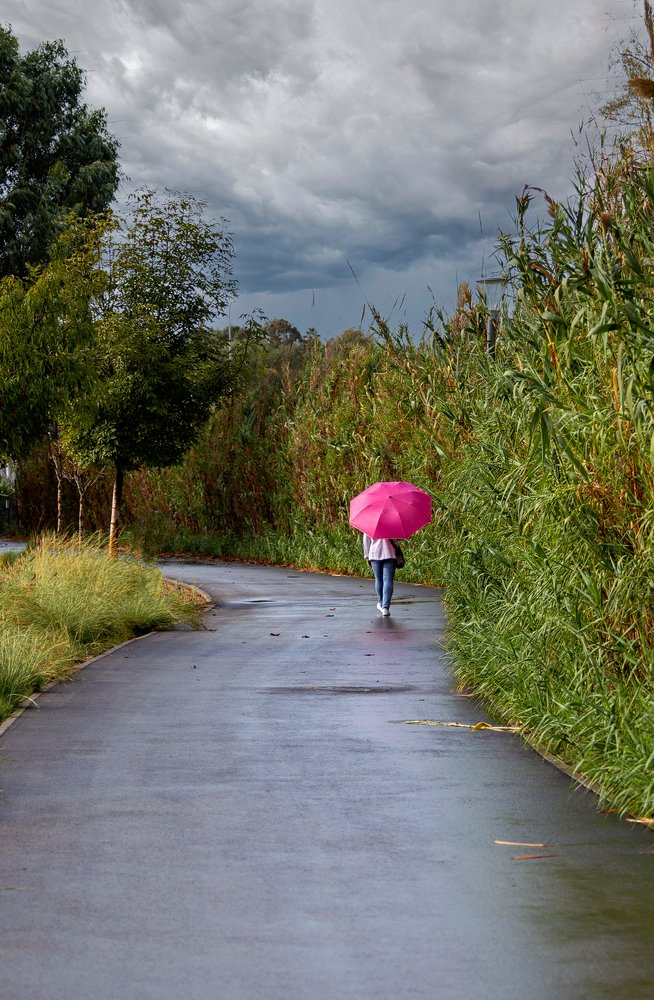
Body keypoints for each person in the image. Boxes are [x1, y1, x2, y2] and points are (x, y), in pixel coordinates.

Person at [362, 533, 397, 616]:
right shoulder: (392, 523)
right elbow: (395, 540)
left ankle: (381, 603)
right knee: (388, 580)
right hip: (390, 553)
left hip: (374, 554)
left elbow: (366, 541)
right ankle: (385, 607)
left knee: (378, 580)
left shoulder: (370, 523)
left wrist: (367, 556)